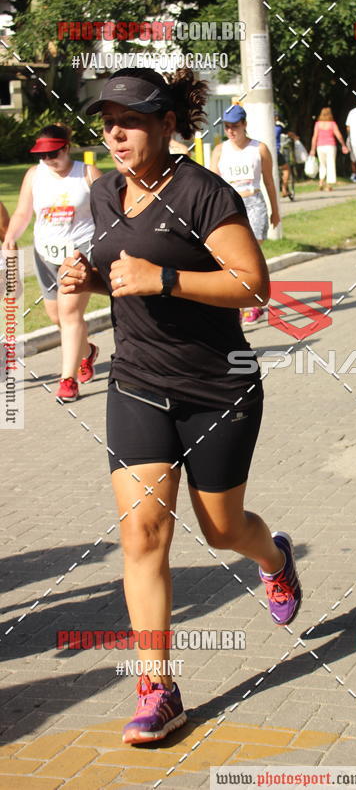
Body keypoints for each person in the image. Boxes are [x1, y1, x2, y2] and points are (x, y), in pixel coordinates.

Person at [59, 67, 302, 745]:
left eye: (131, 122)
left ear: (168, 124)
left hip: (218, 388)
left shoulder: (203, 192)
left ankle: (274, 559)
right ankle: (157, 689)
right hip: (137, 381)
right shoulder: (104, 192)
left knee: (222, 530)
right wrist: (88, 276)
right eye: (108, 123)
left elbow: (253, 286)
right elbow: (121, 271)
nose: (116, 135)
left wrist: (163, 278)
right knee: (142, 536)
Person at [1, 124, 102, 400]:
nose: (47, 160)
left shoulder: (88, 173)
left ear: (67, 148)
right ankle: (87, 351)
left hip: (79, 252)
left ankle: (68, 381)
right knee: (57, 316)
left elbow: (108, 212)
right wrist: (11, 236)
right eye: (42, 155)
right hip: (45, 254)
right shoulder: (34, 175)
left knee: (70, 314)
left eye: (53, 154)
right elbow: (22, 213)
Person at [210, 104, 280, 324]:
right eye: (227, 127)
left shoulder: (259, 148)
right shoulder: (220, 150)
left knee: (252, 257)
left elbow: (269, 181)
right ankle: (239, 305)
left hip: (254, 203)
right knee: (234, 260)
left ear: (244, 125)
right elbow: (211, 185)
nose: (231, 131)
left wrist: (275, 211)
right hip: (230, 206)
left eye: (235, 126)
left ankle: (254, 303)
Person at [309, 107, 348, 192]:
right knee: (331, 164)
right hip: (330, 145)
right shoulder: (332, 124)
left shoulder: (318, 124)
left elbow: (314, 137)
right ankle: (328, 184)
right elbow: (338, 135)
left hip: (320, 146)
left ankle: (321, 181)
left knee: (322, 164)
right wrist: (343, 145)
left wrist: (312, 149)